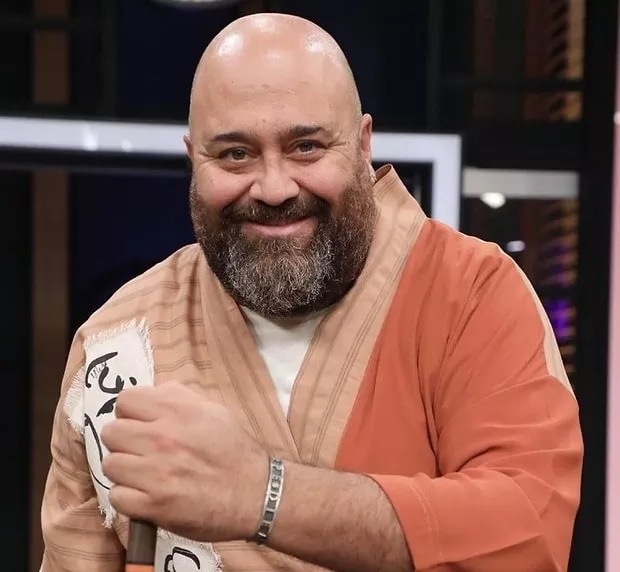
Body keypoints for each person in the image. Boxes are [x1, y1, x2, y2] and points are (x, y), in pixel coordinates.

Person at [39, 12, 583, 572]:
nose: (274, 188)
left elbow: (526, 537)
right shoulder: (118, 343)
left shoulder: (471, 295)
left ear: (363, 145)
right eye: (234, 154)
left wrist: (263, 495)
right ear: (192, 159)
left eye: (306, 147)